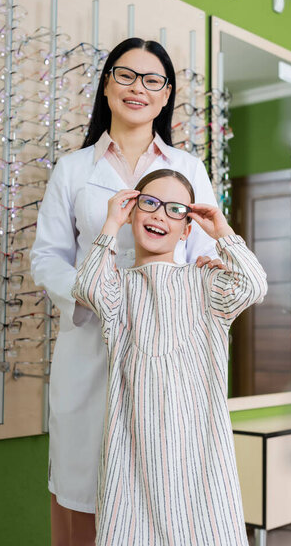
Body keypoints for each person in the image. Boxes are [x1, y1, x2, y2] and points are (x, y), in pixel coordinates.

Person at [30, 38, 225, 545]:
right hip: (91, 345)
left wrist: (205, 272)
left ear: (165, 97)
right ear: (107, 85)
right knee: (84, 490)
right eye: (126, 75)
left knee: (163, 490)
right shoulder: (73, 170)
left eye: (152, 80)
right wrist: (90, 292)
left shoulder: (189, 169)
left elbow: (209, 252)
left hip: (165, 353)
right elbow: (47, 256)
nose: (138, 88)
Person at [72, 168, 267, 545]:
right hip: (131, 454)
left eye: (175, 209)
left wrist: (222, 231)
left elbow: (254, 285)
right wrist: (110, 223)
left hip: (200, 454)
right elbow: (87, 286)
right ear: (132, 212)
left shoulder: (206, 282)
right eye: (149, 203)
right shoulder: (118, 287)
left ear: (187, 227)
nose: (159, 215)